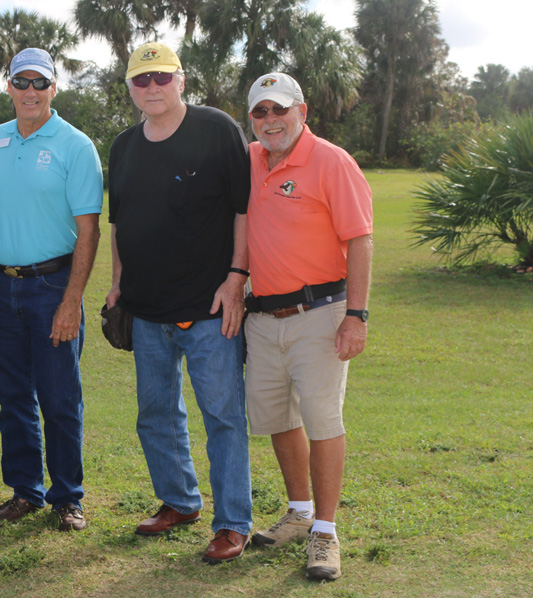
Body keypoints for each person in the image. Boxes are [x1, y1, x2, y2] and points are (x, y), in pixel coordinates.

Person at [105, 42, 252, 564]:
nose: (152, 88)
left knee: (223, 417)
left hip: (211, 310)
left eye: (161, 77)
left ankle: (233, 523)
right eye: (141, 80)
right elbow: (119, 223)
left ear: (181, 79)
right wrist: (119, 283)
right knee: (155, 414)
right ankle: (180, 501)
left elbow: (243, 210)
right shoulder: (122, 146)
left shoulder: (216, 130)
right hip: (146, 312)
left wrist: (236, 277)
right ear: (129, 87)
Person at [243, 72, 373, 582]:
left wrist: (356, 316)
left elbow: (360, 240)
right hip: (263, 317)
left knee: (322, 421)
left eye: (280, 110)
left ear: (302, 111)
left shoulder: (331, 161)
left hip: (320, 314)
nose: (271, 121)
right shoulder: (250, 161)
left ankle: (325, 530)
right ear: (251, 118)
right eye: (261, 112)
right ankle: (298, 512)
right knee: (278, 418)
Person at [0, 48, 103, 532]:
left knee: (59, 397)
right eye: (21, 82)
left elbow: (88, 231)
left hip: (52, 285)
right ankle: (25, 491)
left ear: (54, 88)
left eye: (39, 83)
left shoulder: (75, 145)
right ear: (8, 87)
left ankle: (67, 496)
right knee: (12, 396)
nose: (30, 92)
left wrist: (72, 299)